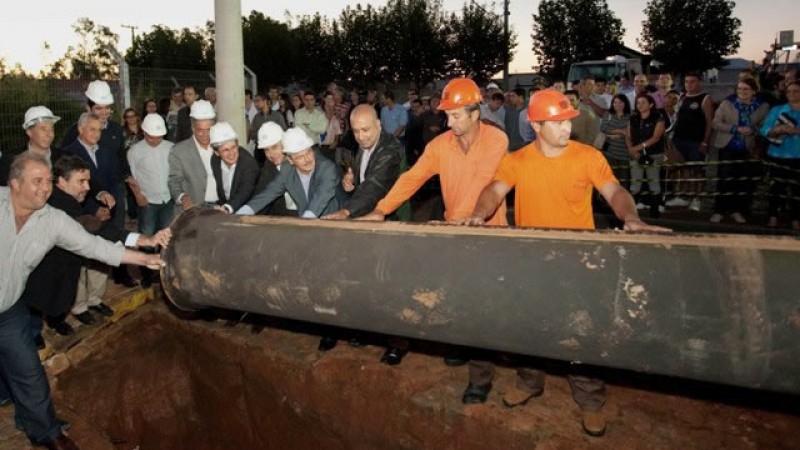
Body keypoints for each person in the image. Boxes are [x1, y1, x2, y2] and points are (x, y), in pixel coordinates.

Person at [459, 89, 669, 437]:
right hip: (531, 259)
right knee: (530, 326)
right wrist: (479, 215)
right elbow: (495, 190)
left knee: (580, 329)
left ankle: (589, 400)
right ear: (537, 125)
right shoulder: (518, 159)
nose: (567, 128)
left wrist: (630, 217)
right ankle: (530, 383)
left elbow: (614, 191)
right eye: (557, 123)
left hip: (577, 259)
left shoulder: (588, 157)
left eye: (568, 121)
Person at [0, 152, 166, 450]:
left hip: (8, 310)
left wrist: (143, 257)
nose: (44, 188)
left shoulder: (53, 220)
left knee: (28, 372)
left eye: (47, 181)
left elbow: (95, 246)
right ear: (14, 184)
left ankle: (47, 434)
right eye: (36, 181)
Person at [357, 78, 509, 365]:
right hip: (454, 230)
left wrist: (455, 222)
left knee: (486, 296)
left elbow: (482, 185)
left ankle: (486, 357)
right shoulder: (441, 145)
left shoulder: (496, 140)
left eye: (455, 115)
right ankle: (461, 343)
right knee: (456, 291)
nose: (448, 122)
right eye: (446, 115)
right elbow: (413, 177)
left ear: (475, 113)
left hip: (489, 232)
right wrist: (382, 208)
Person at [235, 128, 340, 218]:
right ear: (290, 160)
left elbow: (321, 195)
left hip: (329, 222)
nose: (307, 159)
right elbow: (268, 194)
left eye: (308, 152)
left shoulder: (326, 167)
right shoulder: (287, 170)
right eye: (299, 157)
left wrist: (305, 221)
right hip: (306, 223)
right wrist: (240, 214)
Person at [710, 78, 769, 224]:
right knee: (725, 179)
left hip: (748, 148)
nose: (742, 92)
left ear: (754, 91)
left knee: (744, 181)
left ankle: (738, 211)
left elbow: (766, 126)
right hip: (727, 146)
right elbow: (716, 123)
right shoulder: (727, 103)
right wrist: (734, 128)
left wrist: (753, 130)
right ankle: (719, 210)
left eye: (746, 89)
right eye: (740, 89)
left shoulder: (762, 106)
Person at [127, 113, 175, 286]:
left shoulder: (171, 148)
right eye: (152, 137)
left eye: (159, 137)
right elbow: (132, 178)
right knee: (147, 236)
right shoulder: (134, 152)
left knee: (167, 237)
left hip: (168, 200)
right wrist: (139, 196)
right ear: (144, 133)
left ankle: (163, 271)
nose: (155, 140)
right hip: (147, 201)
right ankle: (146, 274)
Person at [667, 72, 714, 211]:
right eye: (686, 81)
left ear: (699, 82)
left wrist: (705, 142)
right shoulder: (682, 97)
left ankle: (697, 199)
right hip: (679, 140)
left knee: (697, 171)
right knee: (682, 169)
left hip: (696, 142)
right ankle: (682, 197)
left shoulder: (705, 99)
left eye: (692, 81)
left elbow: (709, 122)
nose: (689, 84)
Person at [761, 79, 800, 230]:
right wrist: (777, 130)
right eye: (789, 91)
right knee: (776, 188)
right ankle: (773, 216)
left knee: (798, 190)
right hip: (777, 154)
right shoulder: (777, 110)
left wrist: (796, 131)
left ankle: (796, 218)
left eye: (796, 91)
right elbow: (764, 130)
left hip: (798, 156)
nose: (792, 94)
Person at [168, 100, 219, 213]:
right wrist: (182, 197)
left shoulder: (221, 147)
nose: (206, 135)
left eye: (209, 129)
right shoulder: (179, 151)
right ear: (193, 128)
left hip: (219, 208)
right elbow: (174, 181)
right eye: (201, 130)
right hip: (193, 211)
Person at [626, 94, 667, 218]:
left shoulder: (658, 118)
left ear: (651, 104)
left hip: (653, 154)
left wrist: (636, 148)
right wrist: (632, 151)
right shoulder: (633, 118)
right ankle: (631, 212)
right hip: (635, 155)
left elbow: (656, 138)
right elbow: (628, 136)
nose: (640, 105)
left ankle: (655, 210)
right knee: (635, 184)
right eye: (638, 103)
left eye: (643, 102)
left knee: (653, 182)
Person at [209, 122, 260, 214]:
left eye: (233, 147)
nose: (231, 153)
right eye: (225, 150)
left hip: (249, 213)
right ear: (216, 153)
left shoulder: (249, 164)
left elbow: (245, 191)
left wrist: (227, 208)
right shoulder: (215, 161)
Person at [252, 122, 296, 216]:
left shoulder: (300, 161)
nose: (271, 154)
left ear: (284, 143)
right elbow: (260, 198)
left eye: (274, 147)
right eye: (266, 150)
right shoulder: (268, 168)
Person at [600, 94, 632, 189]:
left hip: (625, 153)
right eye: (615, 102)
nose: (617, 104)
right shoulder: (608, 114)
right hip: (609, 152)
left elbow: (630, 132)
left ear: (625, 103)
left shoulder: (630, 116)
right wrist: (620, 131)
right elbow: (603, 128)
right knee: (610, 179)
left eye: (620, 102)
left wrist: (612, 133)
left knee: (624, 181)